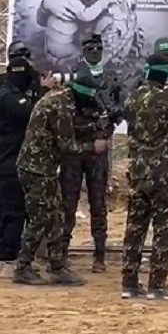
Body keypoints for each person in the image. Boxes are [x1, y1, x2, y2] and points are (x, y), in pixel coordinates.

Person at [10, 73, 108, 286]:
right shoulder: (61, 107)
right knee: (40, 217)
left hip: (42, 168)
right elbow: (67, 146)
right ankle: (23, 267)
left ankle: (57, 267)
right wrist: (93, 147)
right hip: (36, 168)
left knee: (55, 215)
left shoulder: (62, 100)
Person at [122, 53, 168, 299]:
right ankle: (157, 285)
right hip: (164, 174)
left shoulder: (133, 98)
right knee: (164, 229)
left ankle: (129, 283)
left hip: (138, 172)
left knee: (135, 228)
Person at [60, 33, 119, 272]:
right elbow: (65, 111)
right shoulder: (73, 76)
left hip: (98, 149)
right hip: (75, 149)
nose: (95, 51)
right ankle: (61, 254)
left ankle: (100, 256)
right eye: (90, 48)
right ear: (83, 50)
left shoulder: (111, 79)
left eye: (98, 48)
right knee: (68, 202)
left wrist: (103, 134)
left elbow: (116, 113)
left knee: (98, 203)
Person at [0, 47, 48, 264]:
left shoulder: (7, 90)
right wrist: (42, 90)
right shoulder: (9, 97)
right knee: (13, 208)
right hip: (9, 160)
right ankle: (8, 250)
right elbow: (32, 113)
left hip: (10, 158)